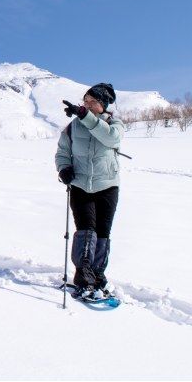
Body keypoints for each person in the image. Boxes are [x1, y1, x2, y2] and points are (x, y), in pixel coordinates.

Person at [55, 82, 124, 299]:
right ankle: (84, 277)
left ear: (103, 104)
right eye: (85, 101)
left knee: (103, 233)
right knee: (86, 230)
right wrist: (64, 167)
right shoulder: (73, 127)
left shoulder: (115, 124)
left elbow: (111, 138)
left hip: (108, 186)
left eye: (92, 101)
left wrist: (86, 116)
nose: (87, 104)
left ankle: (98, 275)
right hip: (80, 186)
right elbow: (62, 152)